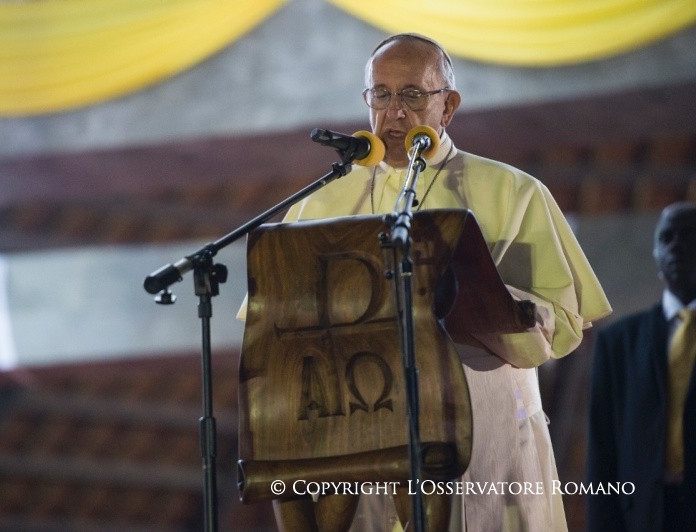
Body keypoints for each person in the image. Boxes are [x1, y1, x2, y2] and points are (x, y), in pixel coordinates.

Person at [256, 32, 612, 531]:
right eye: (381, 94)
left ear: (449, 106)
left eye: (413, 95)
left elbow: (565, 319)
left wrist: (490, 301)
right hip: (354, 428)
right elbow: (274, 324)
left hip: (479, 418)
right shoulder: (317, 205)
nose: (394, 112)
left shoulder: (512, 191)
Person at [587, 202, 696, 532]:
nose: (675, 245)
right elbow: (602, 452)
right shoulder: (618, 343)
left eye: (688, 235)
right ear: (655, 254)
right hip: (644, 516)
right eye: (666, 237)